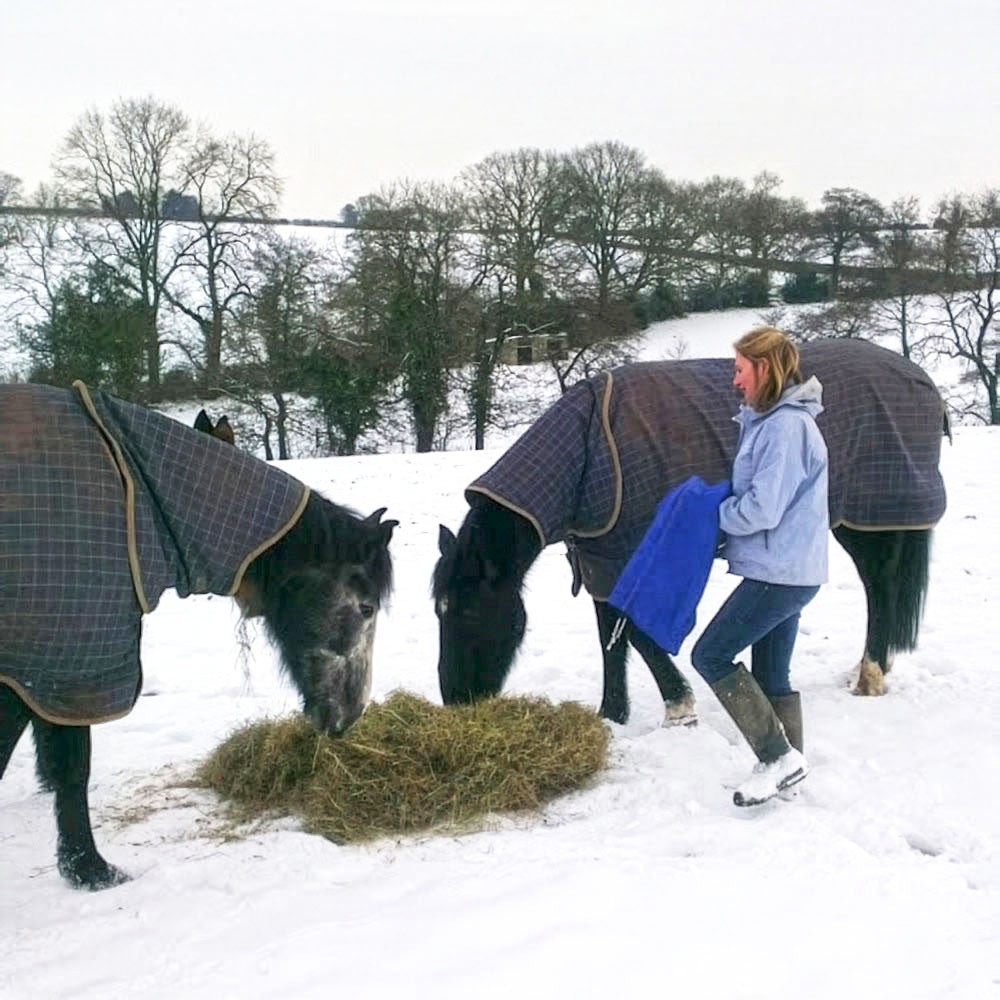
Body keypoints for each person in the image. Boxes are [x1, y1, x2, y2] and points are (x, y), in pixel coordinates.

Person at [691, 326, 829, 806]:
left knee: (710, 655)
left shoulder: (785, 428)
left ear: (763, 368)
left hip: (781, 573)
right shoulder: (769, 423)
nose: (735, 381)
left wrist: (714, 516)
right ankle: (788, 771)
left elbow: (763, 509)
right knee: (771, 676)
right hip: (787, 570)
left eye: (739, 369)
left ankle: (778, 758)